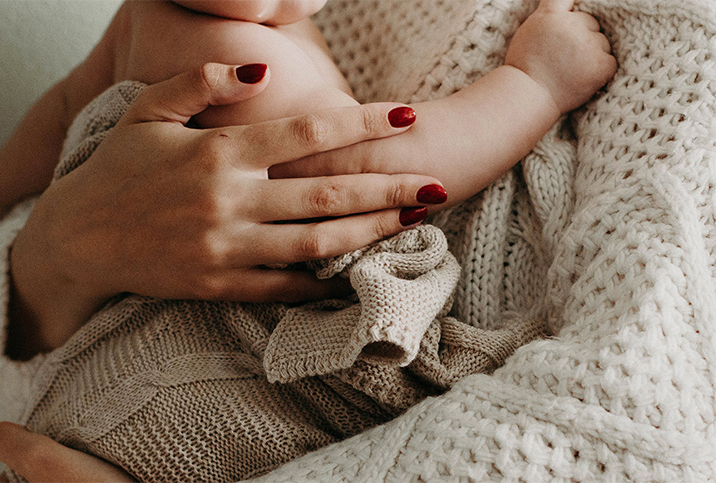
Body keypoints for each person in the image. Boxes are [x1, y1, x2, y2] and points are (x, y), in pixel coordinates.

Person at [0, 0, 616, 480]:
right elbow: (376, 170)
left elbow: (56, 116)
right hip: (235, 341)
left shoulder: (147, 20)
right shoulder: (225, 46)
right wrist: (535, 83)